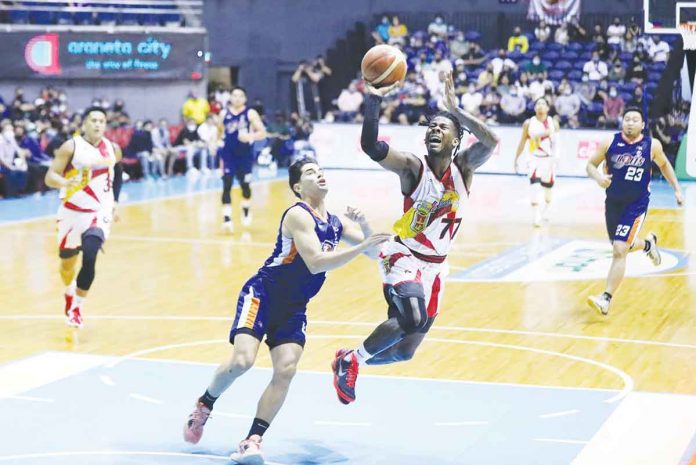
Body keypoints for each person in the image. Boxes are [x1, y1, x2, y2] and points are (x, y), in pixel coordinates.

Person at [182, 157, 390, 462]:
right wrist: (359, 248)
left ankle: (252, 439)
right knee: (242, 361)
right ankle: (204, 404)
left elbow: (375, 251)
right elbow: (316, 262)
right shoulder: (297, 215)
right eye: (309, 172)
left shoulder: (336, 223)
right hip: (263, 295)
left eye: (320, 169)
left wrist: (365, 226)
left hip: (294, 307)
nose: (318, 174)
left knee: (286, 370)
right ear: (297, 186)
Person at [330, 72, 499, 405]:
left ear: (457, 140)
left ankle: (346, 360)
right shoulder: (412, 167)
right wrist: (374, 100)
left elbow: (492, 142)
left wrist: (456, 109)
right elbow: (370, 146)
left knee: (405, 351)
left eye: (443, 127)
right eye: (431, 127)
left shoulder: (463, 168)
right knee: (412, 319)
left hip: (437, 268)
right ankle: (354, 362)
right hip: (403, 256)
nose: (435, 130)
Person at [585, 108, 683, 315]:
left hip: (636, 204)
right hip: (613, 203)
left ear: (642, 125)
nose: (630, 122)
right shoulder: (609, 143)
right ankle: (648, 244)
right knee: (623, 246)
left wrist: (677, 189)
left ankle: (606, 298)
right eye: (627, 119)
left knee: (620, 249)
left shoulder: (651, 145)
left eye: (634, 120)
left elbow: (665, 165)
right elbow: (590, 165)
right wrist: (598, 178)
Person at [43, 107, 123, 328]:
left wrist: (115, 201)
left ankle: (77, 305)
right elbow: (50, 176)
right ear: (84, 124)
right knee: (67, 264)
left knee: (90, 254)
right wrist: (62, 182)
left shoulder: (113, 149)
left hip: (99, 211)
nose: (97, 124)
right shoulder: (71, 147)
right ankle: (69, 292)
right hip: (71, 212)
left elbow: (117, 174)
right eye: (93, 120)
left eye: (101, 121)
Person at [219, 87, 267, 232]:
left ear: (245, 99)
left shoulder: (250, 113)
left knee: (244, 186)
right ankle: (227, 219)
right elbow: (220, 131)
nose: (237, 98)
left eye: (240, 96)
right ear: (230, 98)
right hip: (228, 155)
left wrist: (250, 137)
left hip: (244, 155)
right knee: (226, 184)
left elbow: (263, 133)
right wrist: (216, 142)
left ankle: (245, 209)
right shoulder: (223, 113)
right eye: (234, 95)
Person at [514, 97, 560, 227]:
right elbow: (523, 141)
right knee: (534, 186)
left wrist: (557, 158)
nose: (540, 106)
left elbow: (557, 143)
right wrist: (516, 158)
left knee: (548, 191)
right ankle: (536, 216)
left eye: (543, 104)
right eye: (538, 104)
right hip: (534, 158)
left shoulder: (553, 123)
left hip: (549, 159)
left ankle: (544, 212)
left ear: (547, 108)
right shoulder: (529, 123)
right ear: (534, 108)